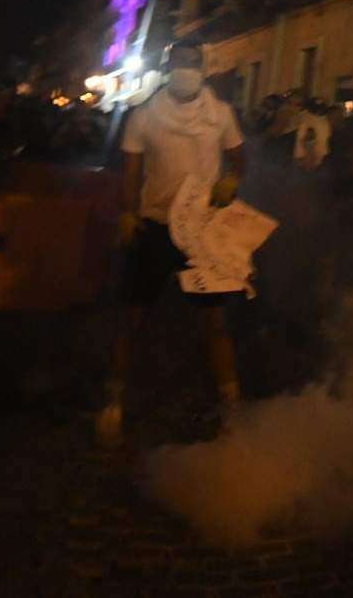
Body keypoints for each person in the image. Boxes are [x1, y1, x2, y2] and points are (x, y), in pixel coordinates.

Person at [95, 39, 246, 448]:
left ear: (203, 68)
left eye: (193, 63)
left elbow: (238, 156)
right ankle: (114, 401)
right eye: (179, 62)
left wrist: (232, 180)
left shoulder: (221, 115)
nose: (186, 69)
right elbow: (131, 171)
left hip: (203, 231)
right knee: (132, 317)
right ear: (167, 67)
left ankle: (231, 405)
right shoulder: (144, 116)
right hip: (155, 226)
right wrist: (128, 211)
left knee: (214, 323)